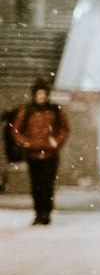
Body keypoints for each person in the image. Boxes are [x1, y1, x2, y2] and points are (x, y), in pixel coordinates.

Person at [10, 79, 70, 226]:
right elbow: (16, 130)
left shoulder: (55, 110)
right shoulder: (28, 110)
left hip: (50, 154)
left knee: (47, 184)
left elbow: (64, 128)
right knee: (36, 185)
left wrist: (55, 142)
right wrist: (26, 142)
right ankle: (38, 212)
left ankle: (46, 213)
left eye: (44, 94)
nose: (41, 97)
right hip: (33, 153)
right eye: (39, 94)